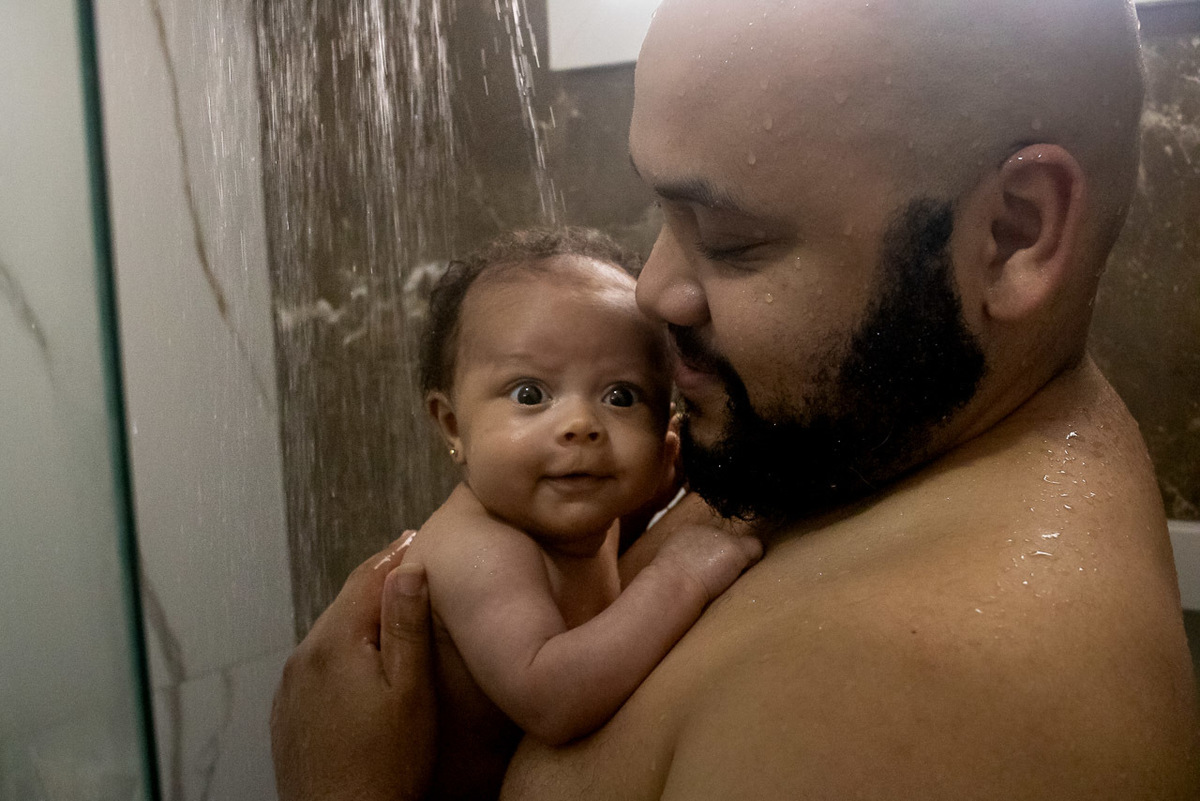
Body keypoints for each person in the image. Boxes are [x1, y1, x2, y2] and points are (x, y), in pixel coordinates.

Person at [272, 0, 1200, 798]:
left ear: (1014, 232)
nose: (654, 291)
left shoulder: (911, 713)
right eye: (662, 215)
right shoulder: (859, 437)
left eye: (731, 239)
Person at [407, 228, 759, 799]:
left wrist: (659, 489)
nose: (580, 425)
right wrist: (680, 578)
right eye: (530, 394)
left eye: (621, 397)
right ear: (452, 426)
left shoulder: (577, 517)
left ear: (665, 440)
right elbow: (551, 699)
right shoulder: (479, 551)